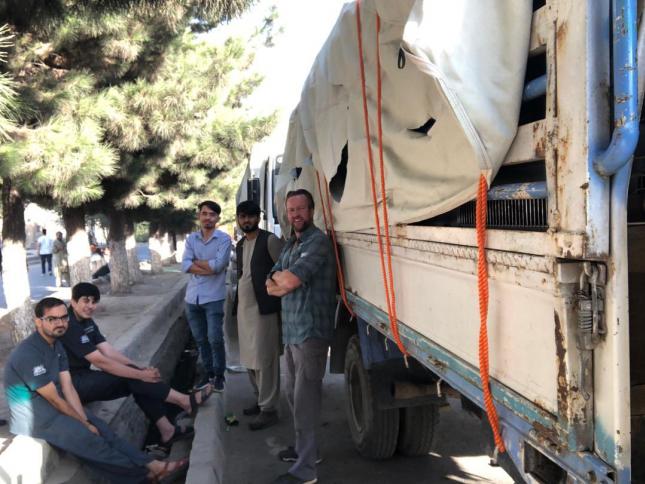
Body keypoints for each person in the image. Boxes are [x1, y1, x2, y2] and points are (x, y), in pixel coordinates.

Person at [4, 297, 189, 483]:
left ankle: (153, 465)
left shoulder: (57, 345)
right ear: (38, 321)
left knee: (104, 430)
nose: (60, 323)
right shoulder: (28, 353)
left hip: (53, 407)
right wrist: (84, 425)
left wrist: (85, 419)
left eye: (64, 318)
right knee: (90, 439)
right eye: (52, 319)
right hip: (36, 418)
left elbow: (68, 387)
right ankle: (144, 476)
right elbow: (54, 399)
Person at [60, 283, 212, 450]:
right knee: (133, 379)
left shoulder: (86, 321)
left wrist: (140, 368)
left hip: (84, 375)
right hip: (71, 384)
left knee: (136, 378)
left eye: (94, 302)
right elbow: (100, 361)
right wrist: (139, 374)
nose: (90, 306)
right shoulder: (69, 325)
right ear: (73, 302)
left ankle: (168, 429)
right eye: (85, 301)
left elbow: (108, 351)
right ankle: (183, 401)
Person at [266, 189, 337, 484]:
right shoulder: (291, 244)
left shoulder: (318, 242)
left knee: (305, 400)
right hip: (291, 331)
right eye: (291, 209)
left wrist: (285, 280)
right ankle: (306, 451)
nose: (296, 214)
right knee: (292, 395)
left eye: (301, 208)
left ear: (312, 210)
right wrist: (282, 281)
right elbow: (271, 283)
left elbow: (290, 278)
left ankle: (306, 471)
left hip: (311, 332)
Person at [234, 200, 285, 431]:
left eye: (251, 216)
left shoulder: (270, 240)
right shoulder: (240, 245)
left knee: (265, 360)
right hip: (244, 312)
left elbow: (284, 270)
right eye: (242, 216)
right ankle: (260, 400)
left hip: (264, 310)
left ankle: (269, 409)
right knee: (249, 359)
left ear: (258, 218)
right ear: (238, 219)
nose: (247, 220)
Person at [182, 200, 232, 391]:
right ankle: (208, 373)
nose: (208, 218)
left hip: (214, 298)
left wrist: (197, 262)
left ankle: (219, 375)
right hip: (192, 298)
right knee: (201, 340)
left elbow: (219, 266)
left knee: (215, 338)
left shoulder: (224, 239)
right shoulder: (191, 239)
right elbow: (185, 265)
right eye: (204, 213)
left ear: (218, 218)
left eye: (212, 214)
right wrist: (209, 266)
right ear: (199, 216)